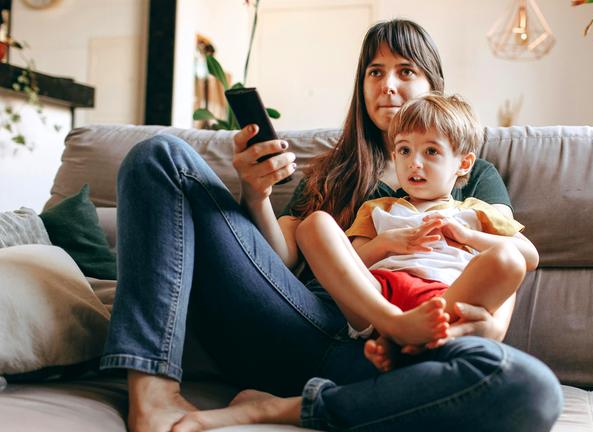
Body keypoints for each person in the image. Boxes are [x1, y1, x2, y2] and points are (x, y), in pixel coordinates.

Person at [101, 18, 563, 432]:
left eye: (406, 71)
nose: (388, 86)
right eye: (375, 72)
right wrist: (255, 194)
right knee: (160, 155)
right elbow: (279, 260)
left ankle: (287, 407)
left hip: (399, 352)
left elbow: (505, 261)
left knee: (531, 388)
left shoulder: (472, 173)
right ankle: (153, 394)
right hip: (301, 321)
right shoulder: (332, 170)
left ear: (433, 85)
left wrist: (486, 329)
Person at [295, 93, 530, 373]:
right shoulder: (378, 208)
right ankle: (396, 327)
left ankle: (406, 342)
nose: (414, 163)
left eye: (431, 151)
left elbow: (529, 256)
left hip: (444, 300)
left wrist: (467, 236)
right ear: (394, 156)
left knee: (509, 259)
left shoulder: (476, 212)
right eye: (405, 151)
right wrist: (386, 243)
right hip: (378, 299)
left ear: (464, 164)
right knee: (314, 224)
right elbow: (353, 262)